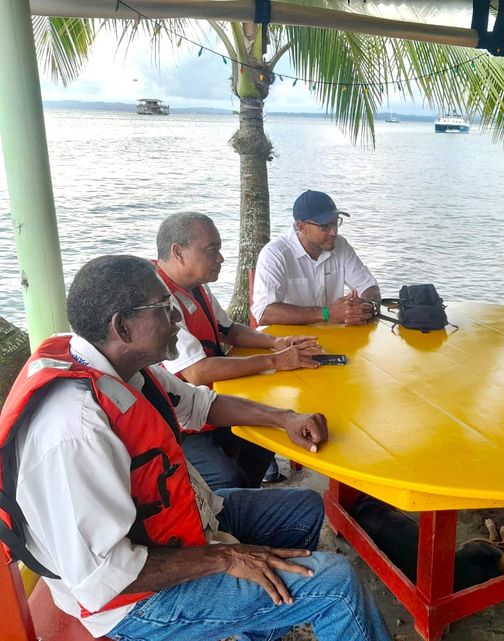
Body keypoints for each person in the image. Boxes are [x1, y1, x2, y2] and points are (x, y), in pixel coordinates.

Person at [0, 255, 392, 641]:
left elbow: (199, 404)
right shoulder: (76, 430)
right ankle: (260, 606)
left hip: (180, 529)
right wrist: (226, 557)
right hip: (134, 603)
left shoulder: (123, 369)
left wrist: (285, 418)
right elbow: (105, 578)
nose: (177, 317)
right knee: (336, 584)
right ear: (122, 327)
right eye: (163, 308)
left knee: (304, 509)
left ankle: (261, 626)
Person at [155, 213, 322, 489]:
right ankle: (226, 504)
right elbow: (197, 372)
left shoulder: (196, 287)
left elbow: (230, 329)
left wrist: (276, 342)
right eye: (212, 250)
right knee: (227, 477)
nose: (220, 258)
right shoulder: (159, 299)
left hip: (213, 403)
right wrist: (275, 361)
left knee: (266, 440)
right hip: (183, 422)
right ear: (178, 252)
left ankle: (245, 495)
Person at [252, 189, 381, 326]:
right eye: (325, 226)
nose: (334, 232)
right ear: (302, 227)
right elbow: (264, 313)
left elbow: (369, 286)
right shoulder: (275, 254)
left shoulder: (340, 246)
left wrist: (366, 307)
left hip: (334, 334)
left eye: (335, 222)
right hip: (290, 338)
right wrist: (326, 313)